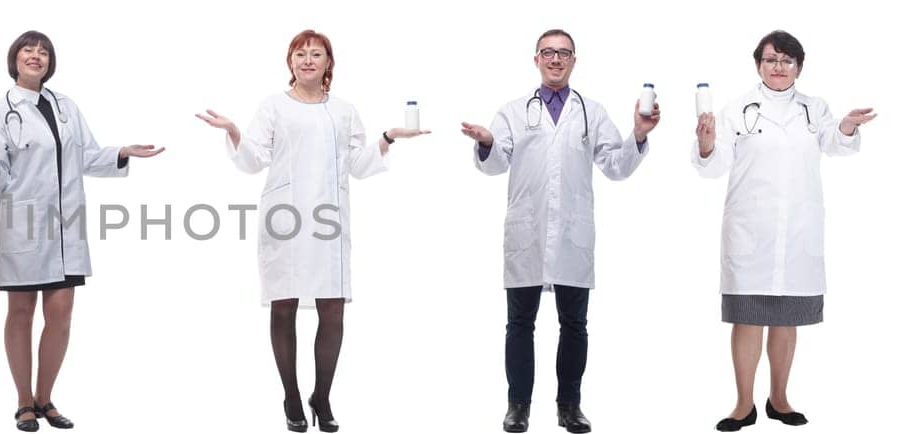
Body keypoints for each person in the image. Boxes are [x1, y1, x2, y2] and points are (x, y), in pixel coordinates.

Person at [194, 29, 427, 433]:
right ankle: (292, 395)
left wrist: (388, 138)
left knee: (332, 307)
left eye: (315, 54)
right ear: (290, 63)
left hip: (329, 221)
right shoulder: (273, 107)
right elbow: (253, 160)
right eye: (299, 54)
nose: (307, 60)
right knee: (283, 304)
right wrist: (233, 130)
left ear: (327, 64)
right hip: (284, 219)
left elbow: (356, 163)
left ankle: (322, 394)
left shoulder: (344, 110)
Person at [459, 29, 659, 434]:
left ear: (574, 60)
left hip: (572, 235)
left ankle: (569, 406)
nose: (555, 59)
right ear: (536, 59)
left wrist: (638, 134)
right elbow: (496, 163)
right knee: (519, 324)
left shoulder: (592, 111)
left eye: (563, 53)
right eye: (548, 53)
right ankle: (518, 408)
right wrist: (485, 142)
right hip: (527, 235)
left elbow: (616, 167)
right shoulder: (514, 111)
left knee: (575, 325)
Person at [0, 30, 163, 432]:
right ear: (15, 59)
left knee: (61, 315)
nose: (36, 56)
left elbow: (87, 156)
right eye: (28, 50)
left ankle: (45, 398)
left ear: (50, 63)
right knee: (21, 313)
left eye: (43, 52)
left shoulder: (66, 106)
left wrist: (123, 153)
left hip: (65, 227)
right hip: (22, 225)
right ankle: (23, 402)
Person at [693, 30, 875, 432]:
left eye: (787, 61)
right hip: (750, 233)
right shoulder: (737, 108)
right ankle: (743, 404)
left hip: (796, 234)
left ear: (799, 67)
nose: (779, 67)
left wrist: (844, 126)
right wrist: (706, 144)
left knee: (786, 319)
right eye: (771, 59)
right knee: (748, 319)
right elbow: (714, 164)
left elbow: (835, 144)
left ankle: (779, 398)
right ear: (758, 64)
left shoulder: (815, 108)